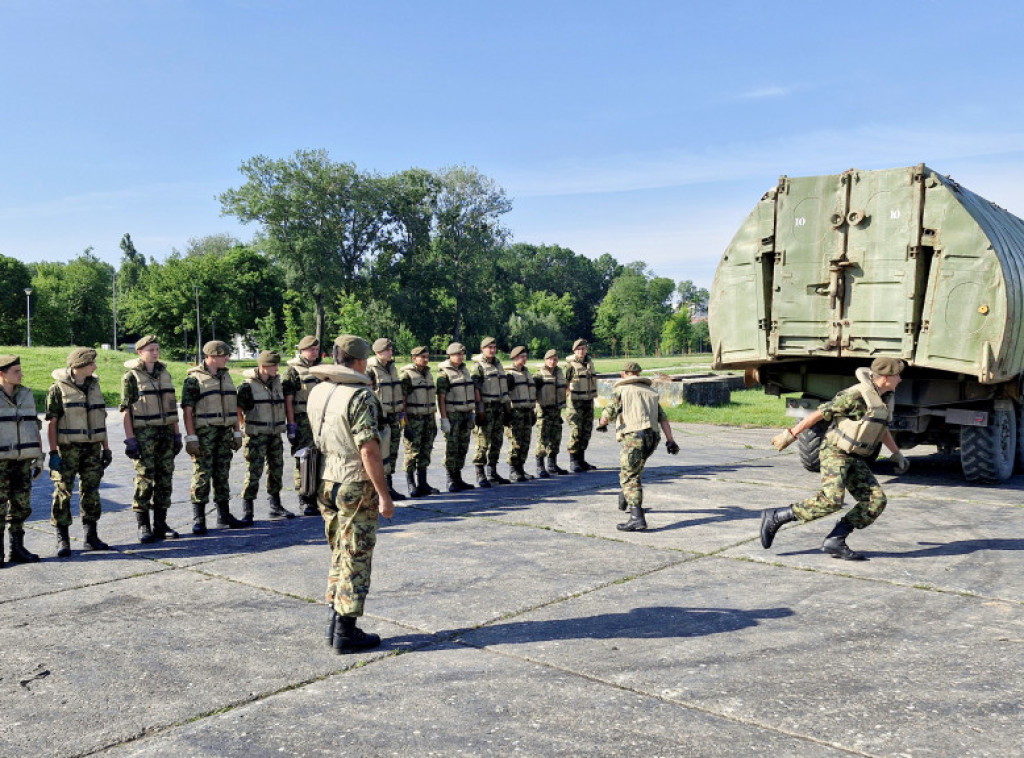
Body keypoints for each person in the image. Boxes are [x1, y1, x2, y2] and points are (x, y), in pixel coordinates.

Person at [760, 357, 909, 560]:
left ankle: (835, 540)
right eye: (897, 375)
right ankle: (777, 516)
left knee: (875, 501)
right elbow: (818, 414)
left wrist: (896, 453)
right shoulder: (854, 395)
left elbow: (881, 428)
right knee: (832, 500)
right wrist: (789, 435)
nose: (900, 379)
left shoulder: (882, 397)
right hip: (835, 452)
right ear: (885, 377)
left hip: (854, 456)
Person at [307, 334, 394, 654]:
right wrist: (384, 495)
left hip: (325, 480)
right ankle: (346, 630)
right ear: (360, 361)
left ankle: (335, 620)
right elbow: (369, 450)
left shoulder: (319, 390)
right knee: (356, 555)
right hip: (355, 483)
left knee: (340, 552)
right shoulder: (360, 397)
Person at [596, 361, 679, 531]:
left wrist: (601, 423)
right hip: (652, 437)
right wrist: (670, 440)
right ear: (638, 374)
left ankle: (637, 518)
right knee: (636, 468)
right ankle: (627, 496)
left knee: (629, 476)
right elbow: (663, 419)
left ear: (624, 374)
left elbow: (608, 413)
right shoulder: (650, 392)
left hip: (634, 436)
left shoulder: (621, 390)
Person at [46, 347, 113, 556]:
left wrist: (106, 448)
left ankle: (91, 537)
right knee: (63, 493)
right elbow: (52, 423)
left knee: (91, 492)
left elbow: (100, 420)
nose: (95, 366)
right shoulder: (57, 389)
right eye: (92, 363)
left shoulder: (95, 387)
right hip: (68, 449)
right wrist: (53, 452)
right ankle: (63, 539)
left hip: (92, 448)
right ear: (80, 366)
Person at [181, 340, 248, 534]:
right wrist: (191, 437)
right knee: (202, 474)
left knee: (222, 474)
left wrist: (237, 432)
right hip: (205, 433)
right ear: (211, 356)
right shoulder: (193, 380)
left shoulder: (226, 377)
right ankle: (199, 518)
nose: (226, 358)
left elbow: (232, 406)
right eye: (223, 355)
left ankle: (223, 515)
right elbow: (187, 411)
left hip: (224, 433)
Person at [120, 335, 182, 544]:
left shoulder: (165, 373)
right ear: (140, 352)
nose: (155, 353)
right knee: (145, 480)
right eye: (151, 349)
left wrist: (177, 434)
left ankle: (161, 524)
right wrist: (130, 440)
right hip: (144, 435)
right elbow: (125, 410)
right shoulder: (131, 377)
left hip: (165, 434)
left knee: (165, 479)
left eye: (157, 349)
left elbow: (171, 407)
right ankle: (143, 525)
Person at [237, 350, 294, 522]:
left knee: (276, 470)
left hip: (274, 434)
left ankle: (275, 505)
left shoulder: (278, 384)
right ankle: (248, 510)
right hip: (256, 435)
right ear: (263, 367)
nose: (277, 369)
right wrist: (242, 426)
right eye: (273, 365)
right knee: (254, 472)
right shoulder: (247, 386)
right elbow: (237, 408)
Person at [0, 355, 44, 565]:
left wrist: (39, 456)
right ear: (2, 374)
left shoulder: (26, 394)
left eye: (20, 370)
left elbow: (33, 426)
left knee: (21, 506)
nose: (21, 374)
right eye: (16, 371)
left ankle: (17, 549)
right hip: (1, 462)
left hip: (22, 460)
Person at [283, 335, 323, 516]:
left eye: (316, 349)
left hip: (320, 420)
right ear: (302, 350)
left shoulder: (320, 368)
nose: (315, 352)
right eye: (311, 349)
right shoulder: (292, 371)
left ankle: (318, 496)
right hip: (302, 419)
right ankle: (304, 499)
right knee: (304, 459)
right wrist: (291, 424)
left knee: (320, 457)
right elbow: (288, 400)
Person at [366, 338, 406, 501]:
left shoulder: (392, 367)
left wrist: (402, 415)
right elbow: (368, 394)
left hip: (394, 416)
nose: (391, 352)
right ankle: (376, 489)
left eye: (390, 349)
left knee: (392, 454)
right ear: (378, 352)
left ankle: (389, 487)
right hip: (380, 418)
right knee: (379, 455)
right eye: (387, 350)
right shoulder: (370, 369)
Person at [435, 342, 479, 492]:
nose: (460, 357)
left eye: (462, 354)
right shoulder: (443, 374)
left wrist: (472, 413)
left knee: (463, 447)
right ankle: (450, 479)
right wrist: (444, 418)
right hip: (453, 415)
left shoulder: (465, 371)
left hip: (466, 414)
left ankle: (458, 477)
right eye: (457, 354)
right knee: (451, 448)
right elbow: (441, 398)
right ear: (450, 356)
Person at [471, 337, 511, 487]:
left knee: (497, 441)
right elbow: (476, 389)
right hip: (486, 408)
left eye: (494, 347)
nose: (492, 350)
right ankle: (480, 474)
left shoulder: (498, 364)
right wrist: (480, 410)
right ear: (482, 349)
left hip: (498, 408)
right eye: (489, 347)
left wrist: (507, 410)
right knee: (482, 443)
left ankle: (492, 472)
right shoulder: (478, 366)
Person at [399, 346, 439, 498]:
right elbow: (402, 401)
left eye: (427, 356)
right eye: (422, 357)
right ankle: (411, 484)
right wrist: (405, 424)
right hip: (414, 419)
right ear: (414, 358)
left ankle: (423, 483)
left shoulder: (428, 373)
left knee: (425, 452)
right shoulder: (406, 376)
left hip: (428, 418)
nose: (426, 359)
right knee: (411, 453)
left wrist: (434, 423)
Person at [533, 348, 569, 478]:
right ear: (545, 360)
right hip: (544, 411)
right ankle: (540, 466)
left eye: (555, 359)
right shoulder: (539, 375)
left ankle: (552, 465)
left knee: (555, 438)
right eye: (550, 359)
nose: (552, 362)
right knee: (542, 438)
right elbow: (533, 391)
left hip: (556, 411)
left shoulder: (559, 373)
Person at [565, 338, 598, 472]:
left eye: (583, 349)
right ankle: (573, 461)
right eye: (579, 349)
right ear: (574, 351)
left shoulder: (589, 362)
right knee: (576, 431)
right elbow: (565, 383)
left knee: (586, 431)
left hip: (588, 401)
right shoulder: (570, 365)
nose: (581, 351)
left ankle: (581, 459)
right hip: (575, 403)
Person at [504, 346, 537, 482]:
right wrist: (507, 414)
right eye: (522, 357)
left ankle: (521, 469)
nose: (525, 359)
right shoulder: (509, 375)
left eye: (525, 356)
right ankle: (513, 470)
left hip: (527, 412)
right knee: (516, 442)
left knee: (525, 442)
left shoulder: (527, 373)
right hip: (515, 412)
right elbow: (505, 396)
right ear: (515, 358)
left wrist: (532, 410)